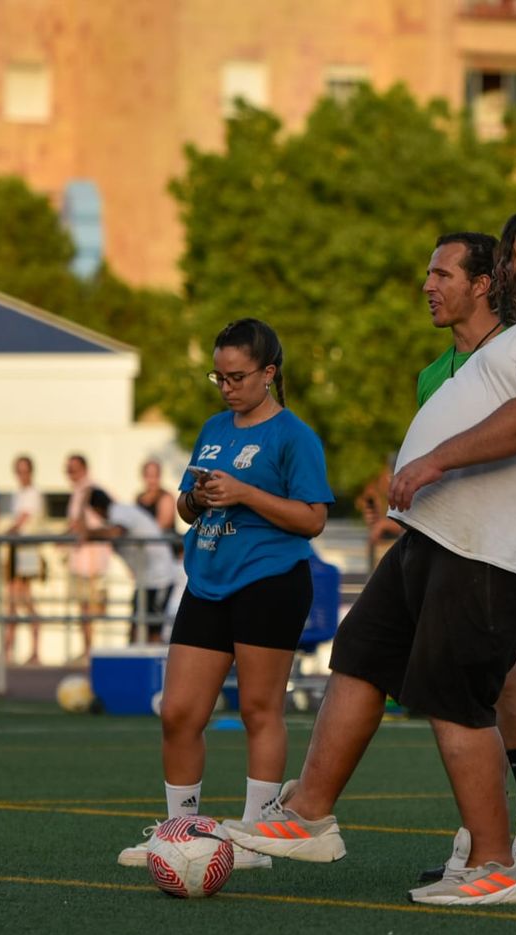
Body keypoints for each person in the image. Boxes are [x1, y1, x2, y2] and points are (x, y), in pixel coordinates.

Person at [223, 203, 516, 909]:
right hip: (448, 534)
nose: (504, 267)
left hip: (506, 543)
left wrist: (436, 458)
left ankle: (496, 865)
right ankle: (308, 813)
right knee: (360, 654)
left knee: (453, 688)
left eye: (514, 253)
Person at [116, 318, 332, 874]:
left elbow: (313, 520)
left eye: (238, 376)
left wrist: (244, 493)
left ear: (268, 374)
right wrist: (193, 498)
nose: (228, 387)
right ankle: (178, 830)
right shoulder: (215, 426)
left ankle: (258, 837)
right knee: (180, 712)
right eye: (220, 376)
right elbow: (187, 509)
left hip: (270, 580)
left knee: (260, 709)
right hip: (209, 577)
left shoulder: (293, 436)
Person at [410, 231, 516, 883]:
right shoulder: (431, 377)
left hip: (512, 537)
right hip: (453, 537)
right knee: (479, 673)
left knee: (495, 667)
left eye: (443, 272)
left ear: (482, 283)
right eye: (428, 272)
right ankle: (493, 832)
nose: (428, 284)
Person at [83, 488, 180, 643]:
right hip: (146, 579)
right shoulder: (118, 514)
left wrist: (89, 534)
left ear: (97, 509)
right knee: (136, 625)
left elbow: (115, 532)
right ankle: (135, 660)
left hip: (160, 577)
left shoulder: (119, 512)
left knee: (153, 628)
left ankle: (154, 665)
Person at [64, 453, 110, 663]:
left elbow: (106, 516)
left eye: (74, 468)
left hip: (92, 560)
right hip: (80, 559)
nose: (70, 473)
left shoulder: (93, 490)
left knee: (92, 607)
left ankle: (92, 651)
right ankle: (88, 649)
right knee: (83, 607)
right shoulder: (77, 491)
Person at [2, 455, 46, 665]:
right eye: (19, 471)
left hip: (26, 550)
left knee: (24, 599)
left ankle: (34, 650)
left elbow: (22, 521)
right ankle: (9, 649)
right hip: (15, 548)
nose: (22, 475)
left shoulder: (32, 494)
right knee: (12, 599)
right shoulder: (18, 493)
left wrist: (3, 534)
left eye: (25, 470)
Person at [135, 459, 181, 559]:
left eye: (155, 475)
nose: (152, 480)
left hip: (168, 549)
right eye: (148, 475)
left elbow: (162, 525)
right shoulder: (139, 498)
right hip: (147, 549)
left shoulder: (166, 497)